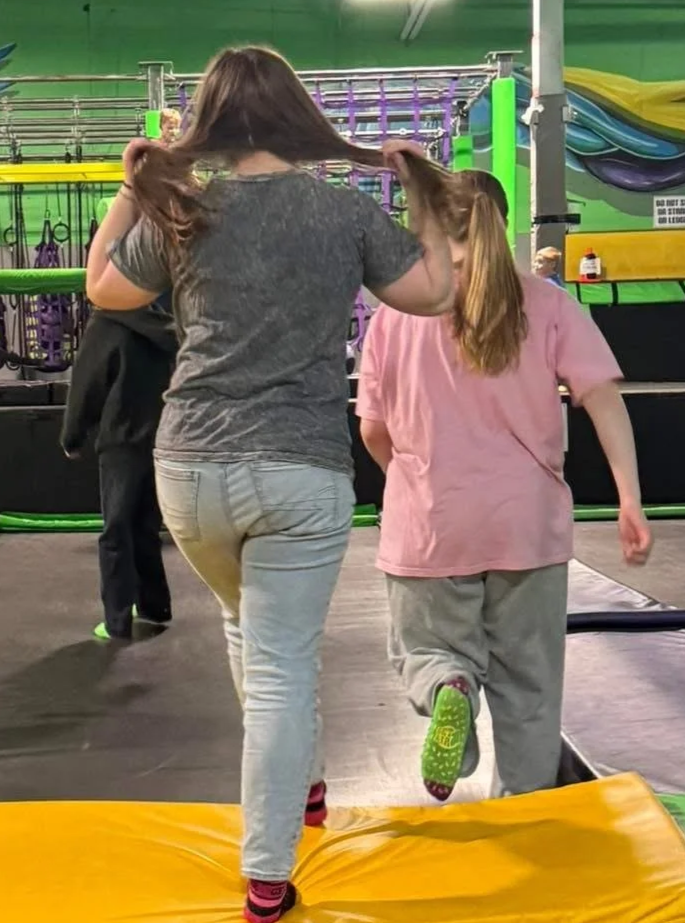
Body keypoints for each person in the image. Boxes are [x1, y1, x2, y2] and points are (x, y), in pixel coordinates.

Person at [83, 46, 458, 923]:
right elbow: (438, 292)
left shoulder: (183, 211)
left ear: (210, 124)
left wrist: (139, 180)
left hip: (190, 469)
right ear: (301, 119)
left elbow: (104, 288)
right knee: (281, 663)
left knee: (245, 626)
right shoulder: (343, 213)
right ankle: (264, 875)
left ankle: (308, 786)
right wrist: (424, 198)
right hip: (297, 470)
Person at [357, 169, 652, 806]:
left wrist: (409, 484)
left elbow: (375, 430)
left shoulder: (395, 313)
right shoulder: (547, 305)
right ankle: (525, 814)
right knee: (529, 692)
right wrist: (629, 496)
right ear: (503, 221)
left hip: (430, 524)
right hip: (526, 525)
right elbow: (603, 399)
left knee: (428, 652)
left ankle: (447, 690)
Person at [61, 300, 177, 640]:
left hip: (121, 441)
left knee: (116, 529)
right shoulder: (167, 322)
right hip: (161, 437)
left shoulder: (107, 323)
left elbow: (87, 382)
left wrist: (72, 435)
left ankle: (117, 620)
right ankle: (155, 607)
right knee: (145, 525)